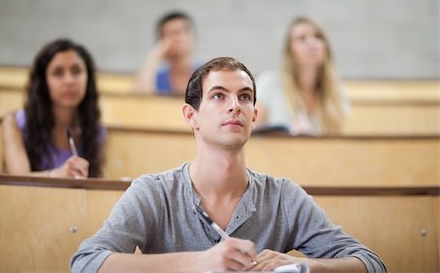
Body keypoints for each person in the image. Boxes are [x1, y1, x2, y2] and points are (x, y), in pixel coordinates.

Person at [71, 57, 386, 273]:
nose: (235, 105)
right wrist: (199, 263)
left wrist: (304, 266)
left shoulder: (284, 197)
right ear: (191, 116)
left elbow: (371, 263)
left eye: (245, 97)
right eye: (219, 96)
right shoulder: (154, 192)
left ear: (254, 116)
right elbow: (86, 262)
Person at [2, 38, 106, 178]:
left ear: (88, 79)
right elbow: (18, 180)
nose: (69, 81)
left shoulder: (96, 131)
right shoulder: (14, 123)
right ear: (43, 82)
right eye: (58, 72)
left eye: (76, 71)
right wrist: (58, 175)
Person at [256, 17, 348, 135]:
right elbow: (253, 135)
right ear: (290, 51)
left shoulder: (336, 94)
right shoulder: (269, 84)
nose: (312, 43)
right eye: (302, 38)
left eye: (318, 37)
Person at [133, 11, 200, 95]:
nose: (178, 38)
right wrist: (154, 56)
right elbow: (139, 100)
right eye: (170, 34)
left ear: (192, 37)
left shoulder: (206, 72)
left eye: (182, 31)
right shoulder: (157, 78)